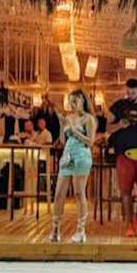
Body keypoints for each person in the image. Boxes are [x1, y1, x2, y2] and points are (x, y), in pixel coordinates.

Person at [108, 77, 137, 236]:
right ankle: (129, 224)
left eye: (133, 90)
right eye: (128, 90)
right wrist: (119, 125)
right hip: (124, 153)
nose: (130, 92)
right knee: (125, 190)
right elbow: (107, 126)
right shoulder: (119, 105)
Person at [49, 88, 95, 243]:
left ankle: (81, 231)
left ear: (83, 100)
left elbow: (90, 142)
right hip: (67, 156)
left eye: (75, 101)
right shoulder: (69, 117)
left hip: (82, 156)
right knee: (58, 194)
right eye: (70, 102)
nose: (73, 105)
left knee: (79, 193)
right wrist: (62, 124)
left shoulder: (89, 119)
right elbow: (63, 140)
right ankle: (55, 229)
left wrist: (74, 131)